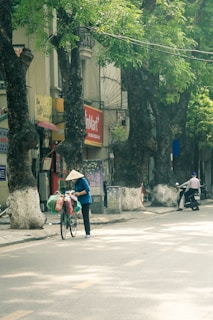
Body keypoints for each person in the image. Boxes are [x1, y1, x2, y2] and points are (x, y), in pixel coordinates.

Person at [66, 169, 92, 238]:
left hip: (86, 201)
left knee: (85, 217)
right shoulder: (76, 183)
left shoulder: (83, 180)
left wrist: (79, 193)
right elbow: (76, 191)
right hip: (79, 201)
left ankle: (88, 232)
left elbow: (87, 189)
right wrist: (73, 193)